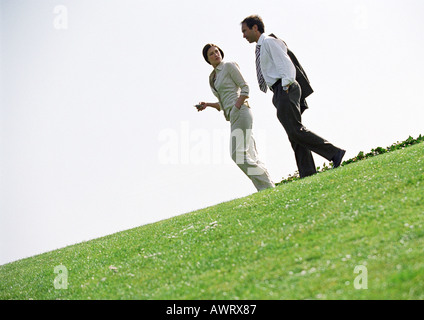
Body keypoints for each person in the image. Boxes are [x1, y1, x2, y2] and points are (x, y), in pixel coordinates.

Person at [241, 15, 346, 178]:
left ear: (255, 27)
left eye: (245, 30)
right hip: (278, 91)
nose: (243, 35)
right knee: (293, 133)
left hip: (285, 87)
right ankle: (308, 172)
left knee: (295, 130)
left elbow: (285, 63)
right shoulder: (261, 47)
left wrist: (286, 85)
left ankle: (334, 152)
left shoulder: (268, 42)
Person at [197, 43, 275, 191]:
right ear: (208, 60)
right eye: (211, 54)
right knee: (251, 154)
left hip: (241, 111)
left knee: (237, 154)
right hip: (233, 115)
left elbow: (245, 87)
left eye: (217, 51)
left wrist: (236, 106)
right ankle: (268, 188)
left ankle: (266, 185)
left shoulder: (229, 66)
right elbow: (222, 104)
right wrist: (207, 104)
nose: (216, 54)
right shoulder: (213, 77)